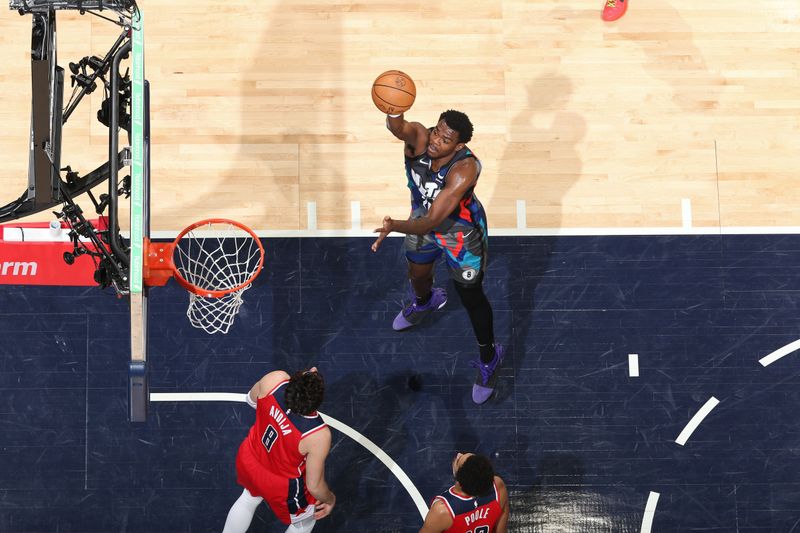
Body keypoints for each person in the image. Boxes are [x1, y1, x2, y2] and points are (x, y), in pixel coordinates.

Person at [371, 109, 504, 404]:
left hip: (460, 233)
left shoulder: (464, 168)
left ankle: (489, 356)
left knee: (471, 296)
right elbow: (399, 128)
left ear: (458, 146)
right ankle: (425, 301)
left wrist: (394, 227)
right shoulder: (420, 137)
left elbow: (433, 221)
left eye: (446, 139)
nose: (436, 141)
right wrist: (394, 109)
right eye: (437, 132)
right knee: (417, 274)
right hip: (421, 220)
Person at [222, 367, 336, 533]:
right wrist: (330, 499)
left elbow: (252, 399)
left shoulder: (274, 380)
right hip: (281, 486)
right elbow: (314, 486)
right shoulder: (317, 435)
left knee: (248, 499)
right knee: (305, 522)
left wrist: (276, 418)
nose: (314, 368)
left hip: (251, 459)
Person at [419, 452, 510, 533]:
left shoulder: (443, 510)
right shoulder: (498, 487)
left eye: (458, 461)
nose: (459, 454)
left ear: (458, 476)